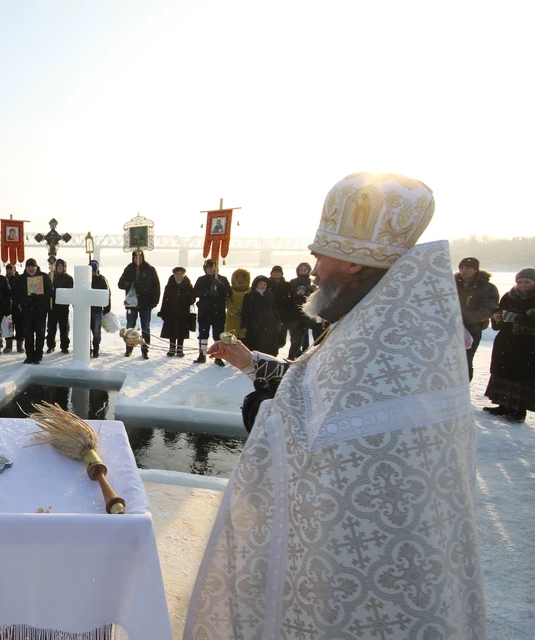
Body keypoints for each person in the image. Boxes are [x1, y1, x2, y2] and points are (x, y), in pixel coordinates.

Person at [187, 172, 484, 639]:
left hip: (373, 576)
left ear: (352, 265)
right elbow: (315, 391)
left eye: (321, 252)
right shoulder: (379, 317)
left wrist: (267, 413)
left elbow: (316, 436)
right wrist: (254, 364)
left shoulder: (389, 339)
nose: (314, 261)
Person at [483, 268, 534, 422]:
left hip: (528, 345)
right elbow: (498, 311)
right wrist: (497, 317)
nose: (523, 285)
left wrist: (515, 318)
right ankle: (503, 405)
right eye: (520, 282)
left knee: (521, 377)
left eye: (527, 282)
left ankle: (519, 411)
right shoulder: (509, 296)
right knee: (503, 373)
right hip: (506, 342)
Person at [456, 257, 499, 381]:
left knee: (465, 361)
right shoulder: (451, 283)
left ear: (476, 270)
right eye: (461, 267)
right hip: (449, 329)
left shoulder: (487, 287)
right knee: (449, 362)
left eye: (468, 268)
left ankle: (463, 389)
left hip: (472, 330)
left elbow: (487, 310)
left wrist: (463, 318)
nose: (464, 270)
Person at [118, 249, 160, 359]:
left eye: (140, 257)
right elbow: (120, 284)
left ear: (143, 257)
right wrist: (131, 282)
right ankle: (129, 348)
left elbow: (156, 287)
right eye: (135, 258)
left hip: (146, 304)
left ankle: (145, 350)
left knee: (145, 327)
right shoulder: (129, 269)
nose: (138, 259)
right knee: (130, 326)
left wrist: (154, 302)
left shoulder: (150, 269)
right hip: (132, 304)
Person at [192, 258, 233, 364]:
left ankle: (218, 356)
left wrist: (220, 286)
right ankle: (202, 355)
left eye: (212, 268)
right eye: (208, 268)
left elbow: (229, 293)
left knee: (218, 335)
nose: (210, 270)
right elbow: (195, 292)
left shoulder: (222, 279)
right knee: (203, 334)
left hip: (218, 311)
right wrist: (207, 293)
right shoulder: (201, 279)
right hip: (204, 311)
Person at [13, 258, 53, 365]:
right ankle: (29, 356)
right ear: (26, 268)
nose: (31, 268)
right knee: (28, 334)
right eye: (28, 266)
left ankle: (38, 356)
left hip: (40, 310)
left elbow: (51, 291)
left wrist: (41, 297)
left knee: (40, 334)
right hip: (27, 311)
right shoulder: (21, 278)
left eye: (32, 266)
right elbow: (15, 293)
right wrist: (21, 302)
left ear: (36, 267)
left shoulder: (44, 277)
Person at [240, 275, 281, 356]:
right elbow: (245, 311)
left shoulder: (270, 295)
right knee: (255, 346)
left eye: (264, 284)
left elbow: (275, 309)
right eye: (261, 284)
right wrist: (244, 324)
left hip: (269, 324)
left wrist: (278, 322)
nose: (263, 286)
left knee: (269, 346)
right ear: (256, 285)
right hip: (254, 324)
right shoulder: (249, 295)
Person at [159, 266, 194, 357]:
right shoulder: (170, 285)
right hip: (171, 311)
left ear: (184, 274)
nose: (179, 275)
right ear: (174, 275)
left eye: (181, 274)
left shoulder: (188, 284)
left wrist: (185, 300)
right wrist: (163, 311)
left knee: (181, 331)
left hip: (183, 312)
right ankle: (172, 349)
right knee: (172, 331)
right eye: (177, 274)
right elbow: (165, 299)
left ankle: (180, 349)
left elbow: (193, 298)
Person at [286, 262, 318, 359]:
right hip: (296, 314)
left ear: (308, 271)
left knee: (314, 337)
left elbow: (316, 296)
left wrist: (308, 292)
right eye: (301, 270)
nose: (303, 272)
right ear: (298, 271)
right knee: (296, 339)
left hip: (310, 313)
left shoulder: (312, 282)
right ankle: (292, 357)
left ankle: (311, 356)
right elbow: (289, 298)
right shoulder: (293, 282)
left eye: (305, 270)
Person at [46, 258, 74, 354]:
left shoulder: (69, 278)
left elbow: (71, 292)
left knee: (64, 328)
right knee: (51, 328)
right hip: (52, 307)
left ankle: (64, 347)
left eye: (61, 266)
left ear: (64, 267)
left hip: (63, 308)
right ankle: (50, 346)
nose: (59, 267)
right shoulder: (51, 276)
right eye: (58, 266)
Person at [89, 261, 111, 358]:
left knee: (96, 332)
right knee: (86, 331)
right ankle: (87, 348)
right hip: (86, 309)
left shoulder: (102, 280)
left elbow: (107, 294)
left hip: (97, 310)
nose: (92, 273)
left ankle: (96, 348)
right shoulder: (85, 279)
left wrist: (107, 307)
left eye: (93, 270)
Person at [223, 268, 249, 341]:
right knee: (230, 338)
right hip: (232, 318)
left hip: (244, 317)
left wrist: (245, 313)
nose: (240, 279)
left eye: (242, 277)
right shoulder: (230, 289)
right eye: (238, 277)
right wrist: (234, 312)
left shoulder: (249, 290)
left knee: (243, 338)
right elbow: (227, 302)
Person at [4, 263, 24, 353]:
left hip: (17, 308)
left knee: (19, 327)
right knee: (8, 327)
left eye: (10, 270)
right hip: (7, 308)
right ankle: (8, 346)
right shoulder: (4, 280)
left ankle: (20, 346)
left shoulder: (19, 280)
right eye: (7, 270)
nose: (8, 272)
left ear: (14, 271)